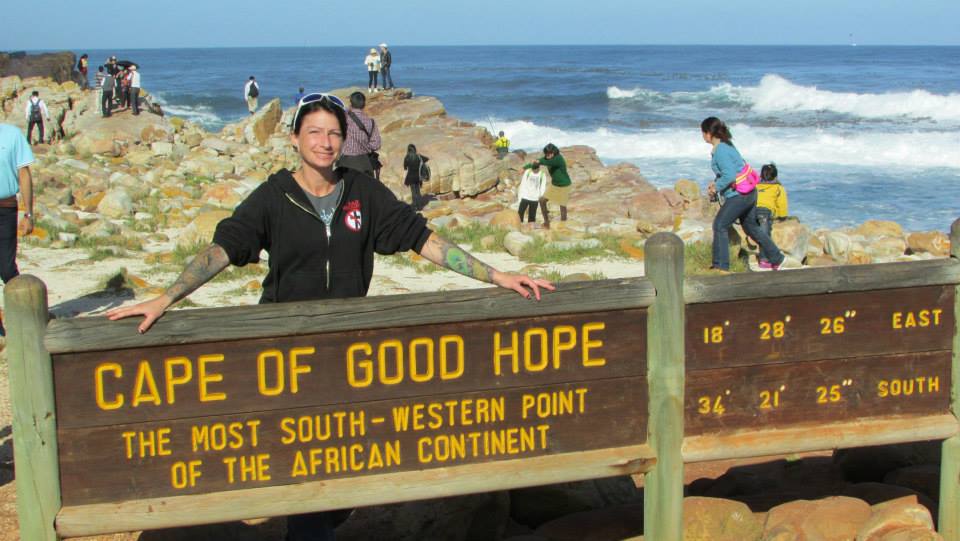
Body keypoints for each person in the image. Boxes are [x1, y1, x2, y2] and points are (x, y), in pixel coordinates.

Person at [106, 92, 553, 541]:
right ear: (295, 138)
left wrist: (496, 275)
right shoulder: (273, 196)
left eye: (334, 133)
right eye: (315, 132)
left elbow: (424, 240)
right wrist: (167, 297)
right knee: (311, 479)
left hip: (344, 352)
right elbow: (226, 246)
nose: (325, 142)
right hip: (284, 357)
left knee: (344, 475)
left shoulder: (363, 192)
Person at [701, 116, 784, 271]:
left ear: (708, 133)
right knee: (751, 227)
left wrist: (716, 188)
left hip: (739, 195)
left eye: (702, 132)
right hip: (750, 192)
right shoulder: (727, 145)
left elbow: (730, 175)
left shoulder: (720, 151)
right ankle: (776, 257)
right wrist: (717, 181)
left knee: (720, 225)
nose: (702, 136)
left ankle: (721, 266)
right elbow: (733, 170)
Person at [0, 123, 35, 336]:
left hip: (5, 208)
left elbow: (24, 174)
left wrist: (29, 213)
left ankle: (25, 317)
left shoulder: (12, 135)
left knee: (6, 267)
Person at [525, 143, 570, 229]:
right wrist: (525, 167)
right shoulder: (547, 158)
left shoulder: (558, 159)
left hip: (564, 185)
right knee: (542, 200)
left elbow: (546, 162)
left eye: (549, 154)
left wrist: (540, 161)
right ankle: (546, 222)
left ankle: (563, 224)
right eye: (546, 154)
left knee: (562, 204)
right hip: (555, 185)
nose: (547, 155)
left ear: (554, 152)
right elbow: (537, 163)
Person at [340, 91, 382, 178]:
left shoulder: (345, 118)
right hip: (365, 164)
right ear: (364, 105)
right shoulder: (371, 122)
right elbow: (377, 144)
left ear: (351, 104)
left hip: (346, 163)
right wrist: (365, 145)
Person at [756, 163, 789, 269]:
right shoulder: (778, 188)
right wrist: (782, 216)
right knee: (765, 236)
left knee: (760, 233)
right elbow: (782, 203)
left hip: (753, 211)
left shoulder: (756, 185)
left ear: (761, 176)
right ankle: (765, 259)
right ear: (776, 176)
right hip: (765, 213)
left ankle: (764, 259)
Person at [403, 144, 428, 210]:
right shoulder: (418, 156)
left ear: (408, 150)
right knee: (418, 192)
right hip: (418, 177)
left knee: (413, 192)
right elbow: (427, 159)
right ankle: (420, 206)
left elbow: (405, 167)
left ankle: (415, 206)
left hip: (410, 177)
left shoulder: (407, 157)